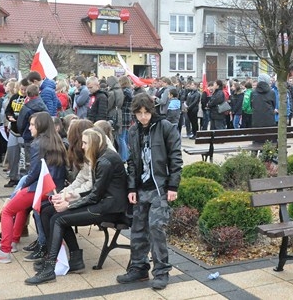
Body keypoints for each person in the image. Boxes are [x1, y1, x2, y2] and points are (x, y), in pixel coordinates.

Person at [26, 127, 127, 284]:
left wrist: (69, 205)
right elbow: (95, 191)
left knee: (59, 218)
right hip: (104, 203)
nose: (82, 146)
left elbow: (95, 195)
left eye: (85, 143)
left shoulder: (104, 161)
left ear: (94, 143)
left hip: (109, 209)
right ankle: (72, 260)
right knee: (52, 213)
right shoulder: (101, 156)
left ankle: (50, 268)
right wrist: (72, 197)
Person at [116, 92, 182, 291]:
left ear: (152, 111)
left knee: (156, 228)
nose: (143, 116)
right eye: (139, 113)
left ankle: (161, 272)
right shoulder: (133, 131)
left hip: (160, 187)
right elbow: (132, 161)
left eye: (146, 112)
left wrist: (173, 186)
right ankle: (138, 268)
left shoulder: (165, 127)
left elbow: (175, 157)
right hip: (141, 187)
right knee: (137, 229)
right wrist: (131, 187)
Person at [0, 112, 67, 264]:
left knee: (7, 211)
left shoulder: (38, 143)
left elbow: (34, 172)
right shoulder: (56, 140)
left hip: (40, 188)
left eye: (32, 125)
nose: (29, 128)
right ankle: (13, 240)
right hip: (53, 188)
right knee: (20, 207)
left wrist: (22, 188)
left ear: (41, 126)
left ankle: (5, 251)